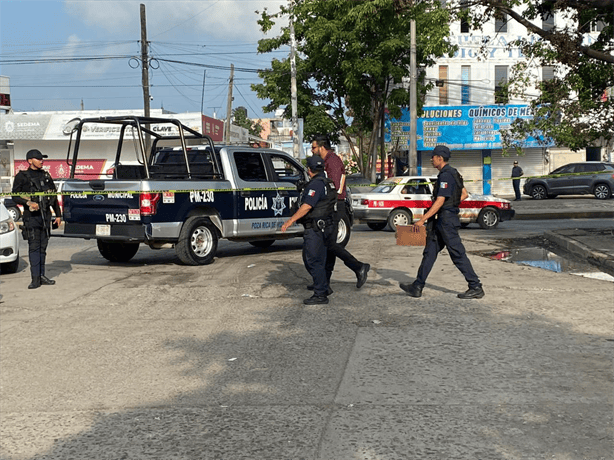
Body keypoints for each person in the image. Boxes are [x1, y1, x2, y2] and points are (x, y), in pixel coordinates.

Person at [400, 145, 484, 299]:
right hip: (442, 220)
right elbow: (464, 194)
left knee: (457, 253)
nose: (431, 159)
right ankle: (417, 286)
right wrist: (450, 204)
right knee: (429, 253)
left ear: (440, 158)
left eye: (433, 157)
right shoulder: (454, 173)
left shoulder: (446, 175)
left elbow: (440, 201)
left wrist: (422, 220)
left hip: (446, 221)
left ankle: (475, 286)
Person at [311, 135, 370, 289]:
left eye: (313, 147)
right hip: (331, 205)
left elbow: (335, 188)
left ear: (321, 147)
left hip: (335, 205)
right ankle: (324, 282)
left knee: (330, 244)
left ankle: (358, 267)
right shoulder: (327, 161)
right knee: (328, 245)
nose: (312, 151)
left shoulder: (333, 161)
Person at [281, 156, 337, 305]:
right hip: (327, 226)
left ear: (309, 170)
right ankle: (323, 286)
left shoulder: (316, 185)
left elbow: (307, 206)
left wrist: (290, 220)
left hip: (316, 228)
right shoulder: (328, 182)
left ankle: (320, 294)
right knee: (321, 259)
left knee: (313, 260)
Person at [12, 149, 62, 289]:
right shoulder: (22, 176)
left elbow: (53, 196)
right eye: (38, 159)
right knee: (34, 248)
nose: (41, 161)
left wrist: (57, 215)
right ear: (30, 161)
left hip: (45, 217)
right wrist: (28, 203)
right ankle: (35, 279)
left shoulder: (46, 176)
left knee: (42, 248)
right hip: (32, 218)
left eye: (42, 159)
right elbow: (14, 196)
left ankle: (41, 276)